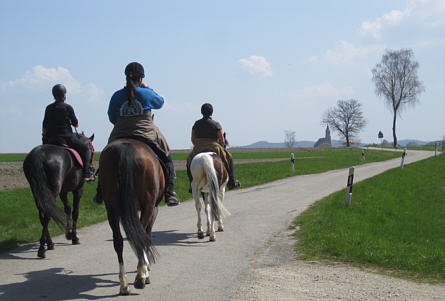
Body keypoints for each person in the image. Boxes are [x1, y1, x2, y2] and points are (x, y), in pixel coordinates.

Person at [106, 62, 180, 206]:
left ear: (126, 77)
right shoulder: (145, 92)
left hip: (120, 132)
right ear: (141, 78)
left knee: (106, 155)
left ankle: (100, 191)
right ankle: (170, 192)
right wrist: (147, 88)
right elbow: (160, 102)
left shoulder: (116, 95)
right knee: (166, 155)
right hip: (146, 132)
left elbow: (111, 117)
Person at [42, 84, 95, 182]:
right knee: (86, 148)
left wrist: (44, 139)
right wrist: (76, 123)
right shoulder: (68, 107)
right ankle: (87, 174)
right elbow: (75, 124)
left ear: (54, 95)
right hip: (66, 137)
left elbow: (44, 126)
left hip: (50, 138)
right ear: (64, 95)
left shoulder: (48, 108)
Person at [186, 103, 240, 190]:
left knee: (189, 161)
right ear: (212, 112)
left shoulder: (196, 124)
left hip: (198, 147)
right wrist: (221, 146)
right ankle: (231, 182)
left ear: (202, 112)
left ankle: (191, 184)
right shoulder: (216, 124)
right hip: (214, 146)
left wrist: (198, 145)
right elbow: (222, 140)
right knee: (229, 158)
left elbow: (193, 139)